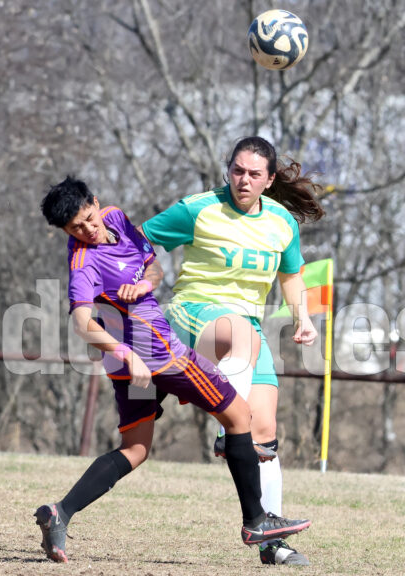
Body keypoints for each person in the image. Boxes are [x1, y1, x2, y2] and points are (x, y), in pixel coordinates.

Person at [34, 176, 311, 563]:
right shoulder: (83, 261)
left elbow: (154, 269)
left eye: (88, 219)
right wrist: (128, 354)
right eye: (76, 228)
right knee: (239, 416)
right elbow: (82, 323)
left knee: (135, 448)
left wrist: (143, 286)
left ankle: (60, 513)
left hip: (133, 363)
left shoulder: (117, 219)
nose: (88, 230)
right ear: (65, 231)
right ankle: (256, 521)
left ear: (96, 204)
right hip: (160, 355)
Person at [139, 136, 325, 566]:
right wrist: (145, 282)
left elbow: (292, 276)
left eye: (254, 174)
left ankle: (270, 540)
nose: (243, 179)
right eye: (237, 170)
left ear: (269, 179)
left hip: (248, 330)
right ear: (228, 169)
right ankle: (229, 430)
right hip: (192, 314)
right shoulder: (198, 208)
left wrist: (302, 317)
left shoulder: (281, 222)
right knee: (240, 346)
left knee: (264, 435)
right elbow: (142, 240)